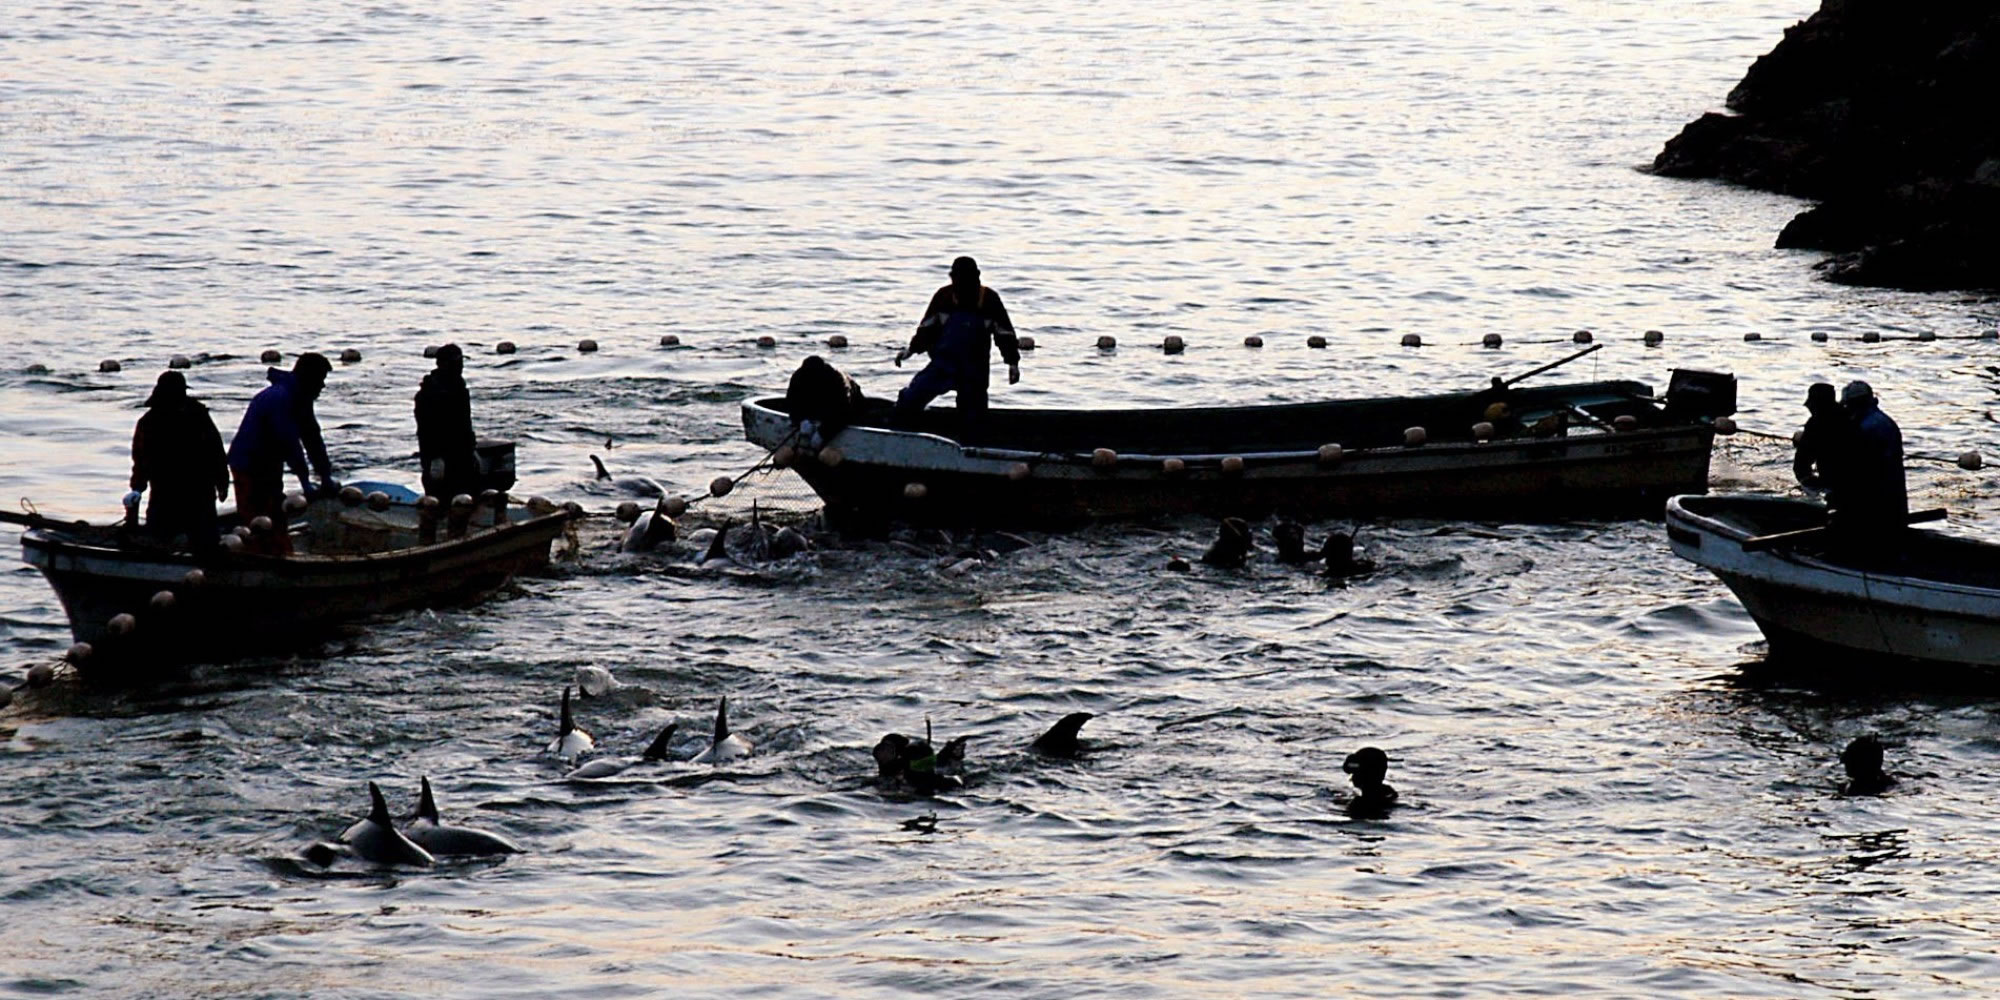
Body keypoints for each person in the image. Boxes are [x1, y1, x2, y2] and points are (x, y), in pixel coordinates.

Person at [891, 256, 1021, 431]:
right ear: (952, 277)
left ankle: (971, 446)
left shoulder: (990, 299)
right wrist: (911, 350)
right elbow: (926, 330)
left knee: (974, 419)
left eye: (968, 278)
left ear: (978, 276)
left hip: (975, 370)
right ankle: (901, 433)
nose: (962, 283)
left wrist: (1012, 363)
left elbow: (1004, 334)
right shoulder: (943, 297)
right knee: (910, 400)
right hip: (943, 365)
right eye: (958, 278)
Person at [228, 352, 336, 552]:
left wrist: (325, 475)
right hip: (248, 464)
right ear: (308, 378)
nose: (322, 386)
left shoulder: (301, 398)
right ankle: (262, 557)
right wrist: (304, 481)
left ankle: (278, 549)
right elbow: (289, 443)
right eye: (320, 380)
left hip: (270, 464)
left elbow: (313, 438)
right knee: (258, 517)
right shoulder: (280, 398)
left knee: (275, 511)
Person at [128, 371, 229, 553]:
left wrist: (137, 487)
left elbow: (141, 461)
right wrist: (222, 482)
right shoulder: (197, 415)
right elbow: (216, 452)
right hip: (186, 492)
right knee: (202, 543)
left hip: (179, 492)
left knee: (162, 542)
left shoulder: (149, 422)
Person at [1830, 380, 1907, 530]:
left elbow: (1860, 467)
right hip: (1893, 494)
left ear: (1856, 403)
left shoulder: (1866, 427)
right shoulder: (1883, 420)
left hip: (1876, 497)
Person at [414, 343, 478, 501]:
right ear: (441, 364)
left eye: (461, 363)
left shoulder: (459, 388)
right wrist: (435, 458)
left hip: (462, 455)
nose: (460, 366)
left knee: (465, 497)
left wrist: (471, 449)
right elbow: (426, 428)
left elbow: (464, 424)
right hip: (441, 457)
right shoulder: (429, 393)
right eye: (455, 363)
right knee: (439, 499)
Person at [784, 354, 866, 447]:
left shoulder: (837, 381)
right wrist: (800, 420)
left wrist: (823, 433)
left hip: (852, 404)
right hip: (818, 403)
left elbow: (843, 412)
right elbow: (791, 402)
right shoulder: (798, 377)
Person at [1792, 382, 1846, 495]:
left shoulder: (1816, 424)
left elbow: (1801, 462)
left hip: (1833, 483)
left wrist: (1806, 480)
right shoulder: (1849, 416)